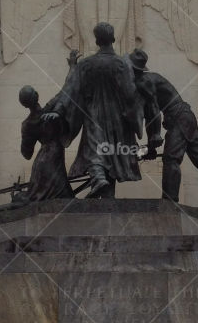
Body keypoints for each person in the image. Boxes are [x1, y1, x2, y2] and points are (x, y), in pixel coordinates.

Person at [55, 22, 143, 197]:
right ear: (113, 39)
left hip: (94, 114)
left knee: (94, 149)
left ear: (96, 41)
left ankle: (99, 181)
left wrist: (58, 108)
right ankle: (102, 187)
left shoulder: (86, 64)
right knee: (110, 153)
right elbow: (130, 93)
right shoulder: (121, 64)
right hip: (117, 118)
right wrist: (134, 118)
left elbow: (70, 88)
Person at [129, 48, 198, 211]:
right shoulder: (149, 79)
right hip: (186, 116)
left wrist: (155, 137)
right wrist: (151, 144)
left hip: (179, 118)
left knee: (171, 159)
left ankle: (170, 202)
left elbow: (153, 110)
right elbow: (150, 113)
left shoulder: (144, 81)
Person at [18, 86, 74, 201]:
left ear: (24, 105)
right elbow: (65, 95)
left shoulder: (27, 124)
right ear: (37, 95)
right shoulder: (51, 108)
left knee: (50, 194)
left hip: (42, 160)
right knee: (60, 194)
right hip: (53, 155)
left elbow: (27, 154)